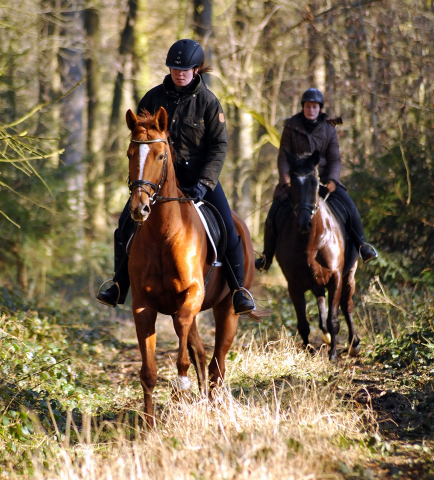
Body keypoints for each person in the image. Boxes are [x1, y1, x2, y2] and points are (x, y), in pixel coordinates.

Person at [97, 39, 255, 315]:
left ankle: (239, 290)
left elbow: (219, 146)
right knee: (124, 224)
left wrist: (205, 183)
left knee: (229, 229)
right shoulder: (152, 98)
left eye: (185, 69)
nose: (179, 73)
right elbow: (141, 139)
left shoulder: (208, 102)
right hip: (156, 180)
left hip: (199, 180)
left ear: (196, 70)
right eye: (174, 68)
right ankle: (118, 284)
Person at [255, 88, 377, 271]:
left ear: (320, 108)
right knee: (273, 214)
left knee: (350, 208)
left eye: (314, 107)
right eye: (307, 106)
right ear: (303, 107)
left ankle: (363, 246)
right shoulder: (290, 127)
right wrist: (286, 181)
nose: (310, 110)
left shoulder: (329, 128)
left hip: (324, 180)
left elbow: (335, 158)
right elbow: (282, 158)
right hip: (297, 182)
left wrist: (333, 181)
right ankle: (267, 257)